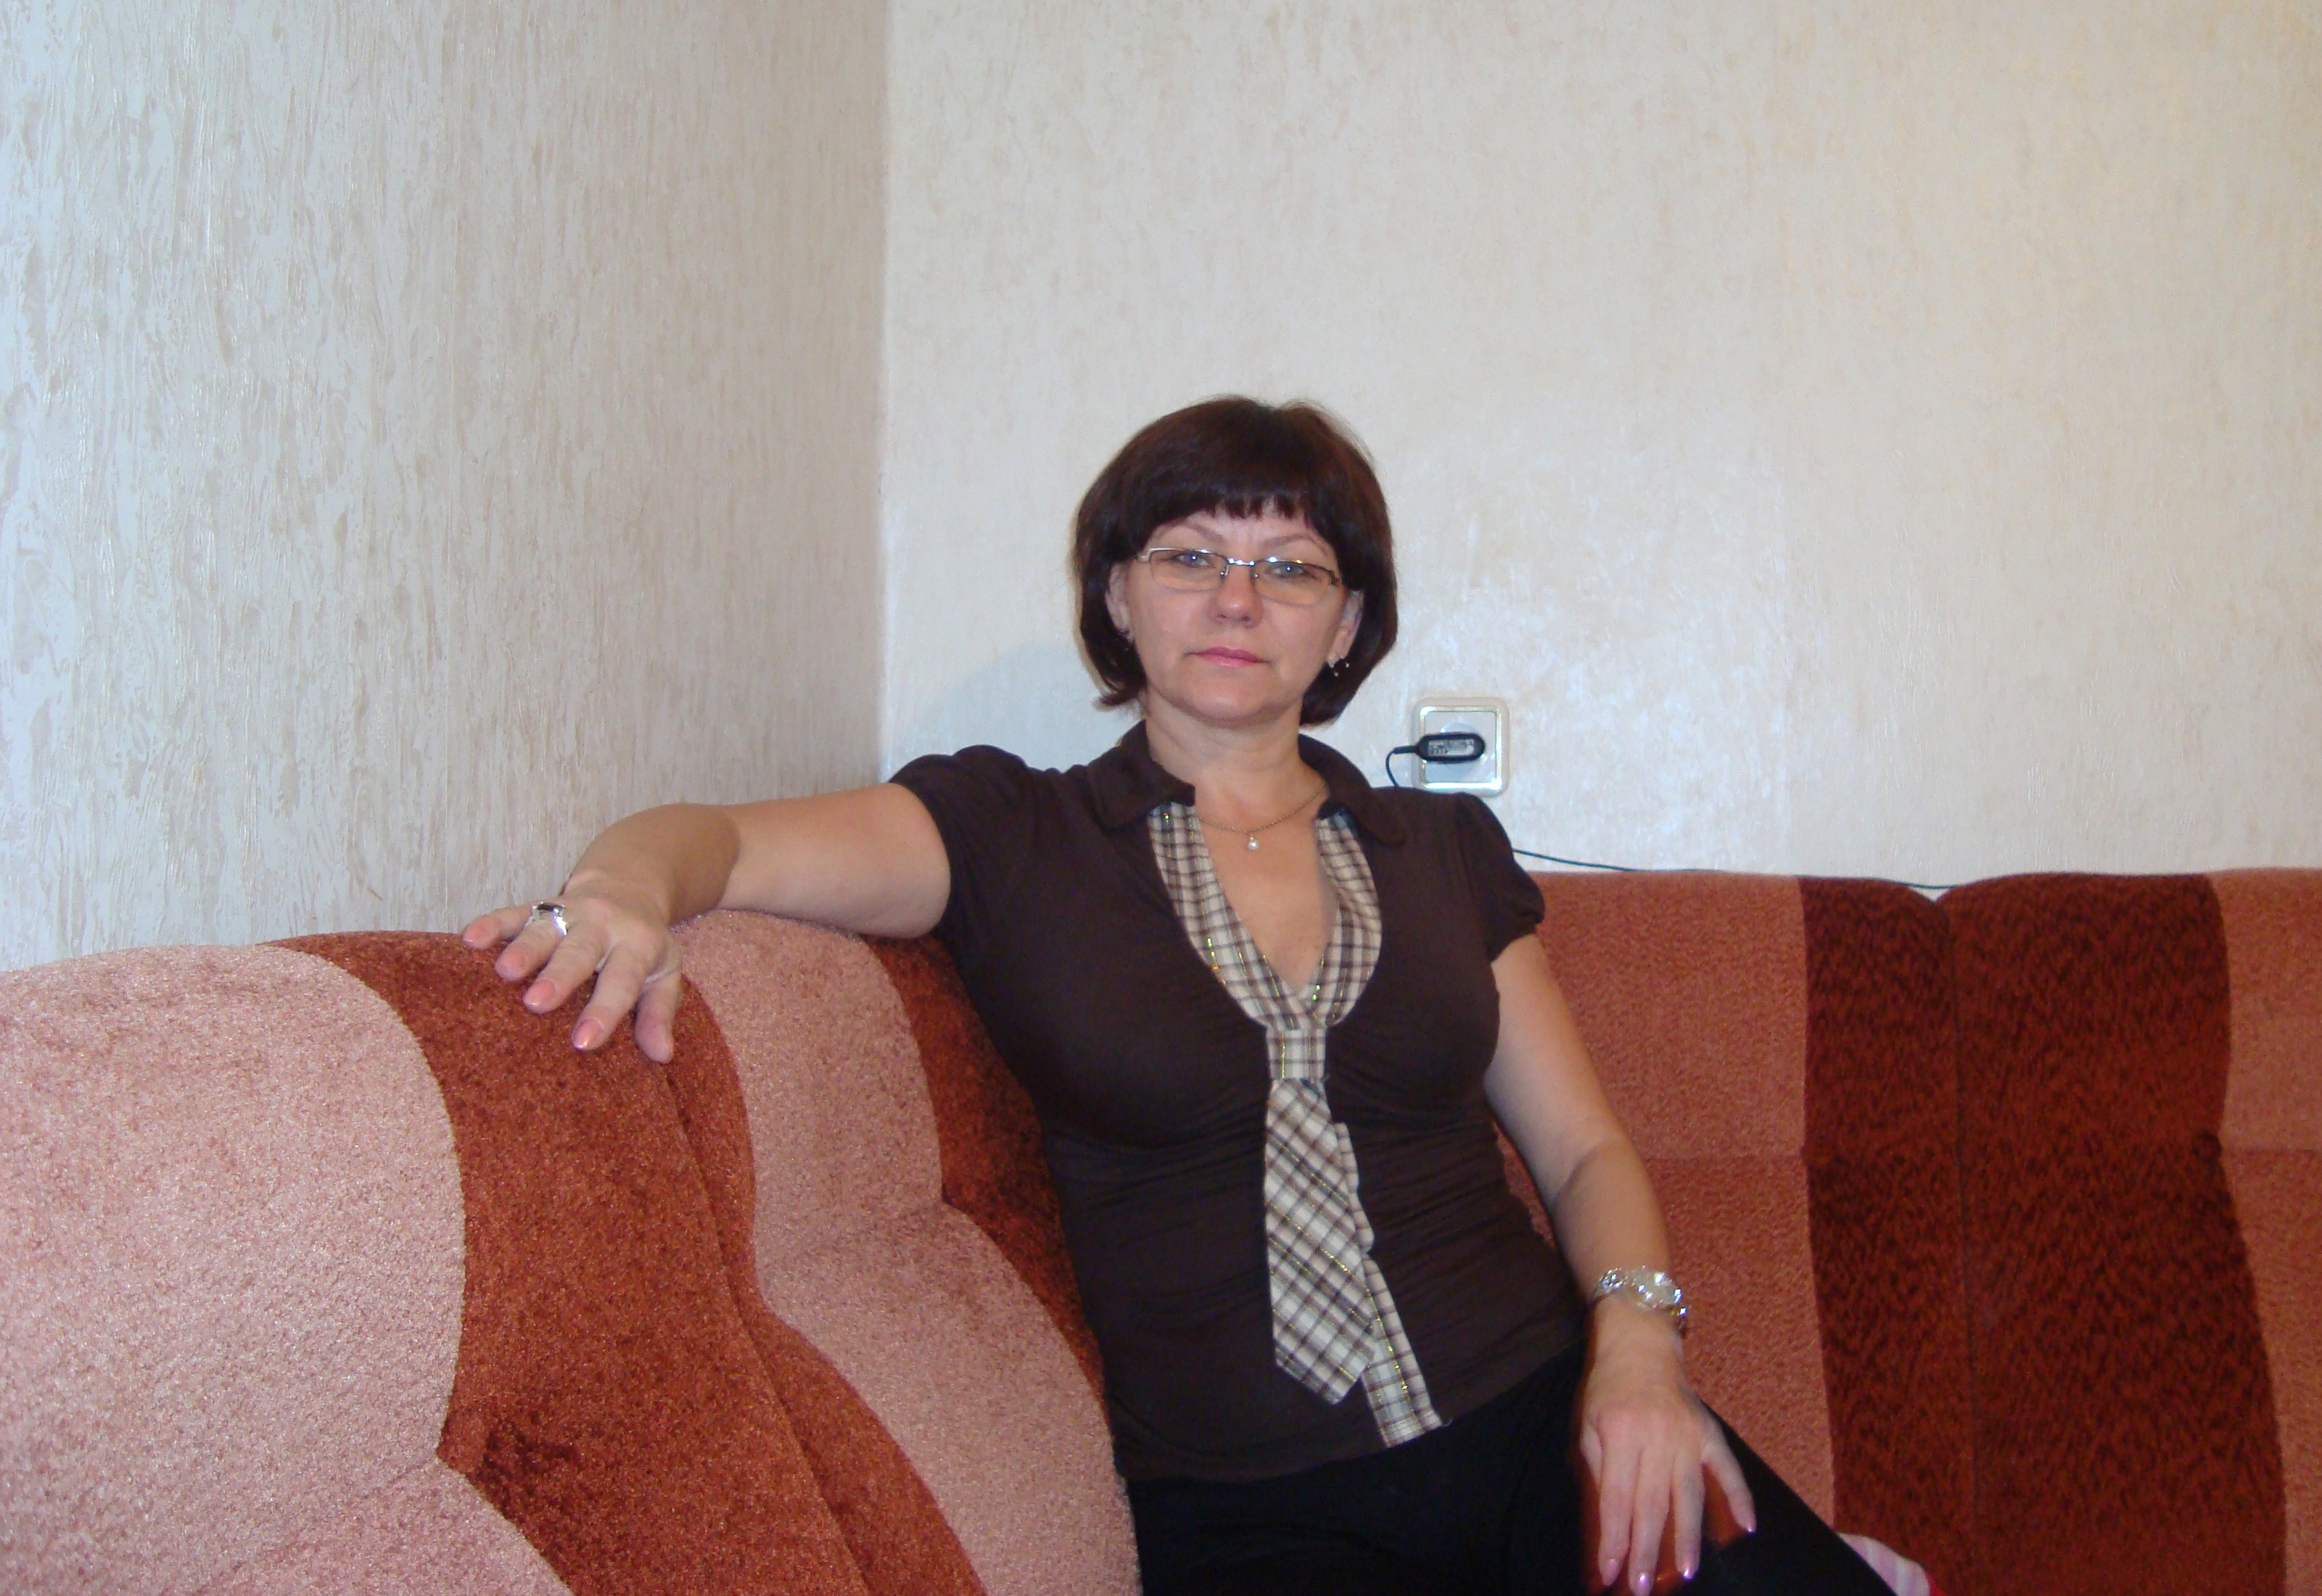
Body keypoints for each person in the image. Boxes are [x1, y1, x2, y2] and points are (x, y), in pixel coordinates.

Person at [466, 399, 1930, 1596]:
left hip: (1543, 1423)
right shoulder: (1010, 836)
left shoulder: (1441, 850)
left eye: (1292, 566)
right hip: (1248, 1510)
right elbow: (717, 842)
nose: (1238, 598)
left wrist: (1640, 1356)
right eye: (1189, 555)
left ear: (1346, 625)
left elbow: (1587, 1151)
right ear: (1117, 595)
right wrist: (621, 891)